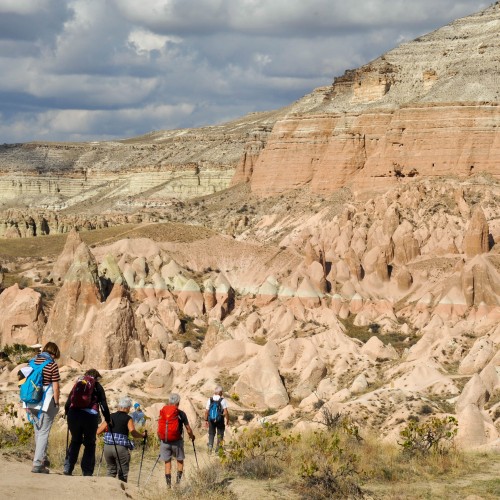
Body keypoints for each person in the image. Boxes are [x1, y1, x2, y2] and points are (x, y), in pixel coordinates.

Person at [64, 368, 111, 476]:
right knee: (90, 443)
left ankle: (68, 468)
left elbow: (68, 401)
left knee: (75, 440)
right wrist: (108, 418)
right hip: (90, 416)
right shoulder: (97, 386)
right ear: (97, 377)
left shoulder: (79, 383)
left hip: (74, 414)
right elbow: (103, 405)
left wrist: (67, 412)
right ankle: (87, 471)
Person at [24, 341, 61, 474]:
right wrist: (57, 403)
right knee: (44, 432)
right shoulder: (51, 364)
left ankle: (41, 459)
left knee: (38, 431)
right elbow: (55, 387)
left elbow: (22, 380)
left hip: (30, 401)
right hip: (46, 401)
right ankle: (38, 463)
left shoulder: (31, 362)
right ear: (54, 352)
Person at [96, 396, 146, 483]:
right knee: (122, 473)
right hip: (120, 448)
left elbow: (98, 431)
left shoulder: (110, 416)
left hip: (107, 448)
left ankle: (108, 490)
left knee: (111, 471)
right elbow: (133, 432)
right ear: (127, 408)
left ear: (119, 406)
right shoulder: (128, 418)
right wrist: (142, 435)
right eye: (129, 408)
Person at [158, 393, 195, 487]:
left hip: (165, 441)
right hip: (177, 442)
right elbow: (188, 429)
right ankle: (177, 483)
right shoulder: (181, 413)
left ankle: (168, 486)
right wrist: (192, 436)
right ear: (178, 402)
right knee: (180, 460)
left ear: (169, 401)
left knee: (167, 462)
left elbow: (159, 427)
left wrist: (161, 440)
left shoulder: (163, 411)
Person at [204, 385, 229, 453]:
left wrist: (206, 420)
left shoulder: (210, 399)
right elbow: (226, 412)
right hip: (220, 419)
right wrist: (227, 420)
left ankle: (210, 447)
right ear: (220, 392)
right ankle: (218, 450)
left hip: (211, 419)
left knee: (211, 433)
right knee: (220, 433)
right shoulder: (222, 400)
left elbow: (206, 411)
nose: (222, 393)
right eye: (222, 392)